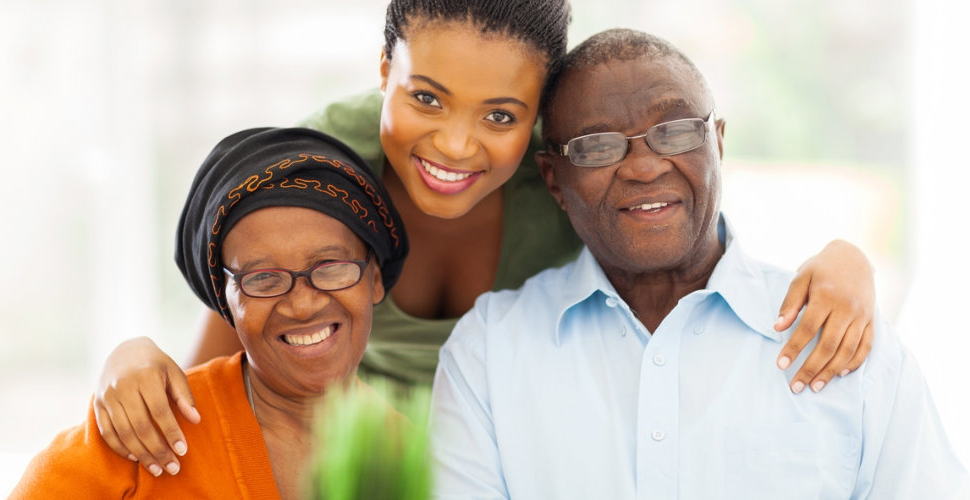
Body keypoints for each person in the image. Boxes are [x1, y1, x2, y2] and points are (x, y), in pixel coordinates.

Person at [94, 0, 884, 475]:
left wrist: (847, 262)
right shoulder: (325, 170)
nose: (455, 146)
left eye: (499, 116)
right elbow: (223, 362)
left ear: (541, 122)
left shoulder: (569, 187)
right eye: (427, 98)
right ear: (382, 70)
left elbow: (683, 240)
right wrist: (131, 358)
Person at [428, 29, 967, 499]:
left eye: (678, 130)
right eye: (598, 145)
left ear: (719, 143)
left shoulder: (847, 342)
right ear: (554, 181)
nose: (643, 166)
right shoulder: (489, 354)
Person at [10, 127, 410, 499]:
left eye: (331, 267)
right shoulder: (144, 434)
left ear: (373, 278)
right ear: (227, 300)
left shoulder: (420, 459)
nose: (303, 304)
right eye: (263, 278)